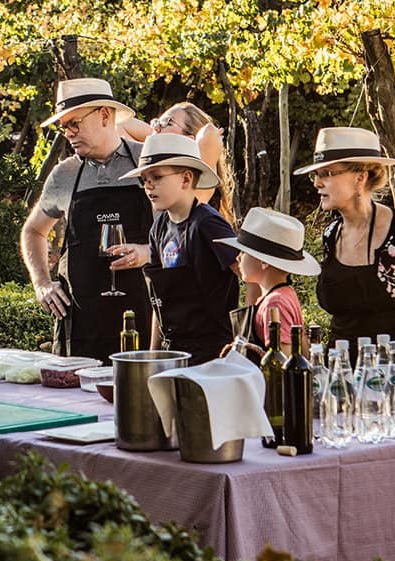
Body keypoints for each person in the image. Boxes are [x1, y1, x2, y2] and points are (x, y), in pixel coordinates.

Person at [294, 127, 395, 361]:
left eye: (327, 173)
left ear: (360, 178)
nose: (317, 183)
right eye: (315, 175)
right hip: (343, 371)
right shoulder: (331, 235)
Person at [21, 78, 154, 362]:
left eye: (74, 123)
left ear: (104, 115)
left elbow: (180, 231)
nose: (68, 133)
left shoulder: (148, 162)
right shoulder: (64, 174)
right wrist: (42, 282)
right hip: (81, 326)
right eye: (63, 127)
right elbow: (33, 231)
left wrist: (147, 252)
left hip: (143, 318)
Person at [122, 133, 240, 363]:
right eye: (144, 180)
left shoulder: (208, 223)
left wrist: (246, 338)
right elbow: (159, 302)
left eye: (156, 177)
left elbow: (248, 273)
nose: (148, 185)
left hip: (213, 353)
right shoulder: (158, 228)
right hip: (172, 352)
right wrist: (153, 356)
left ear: (186, 179)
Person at [215, 207, 320, 355]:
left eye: (243, 252)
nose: (238, 258)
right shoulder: (283, 294)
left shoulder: (275, 303)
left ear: (264, 262)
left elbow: (282, 358)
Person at [121, 102, 234, 221]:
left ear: (189, 140)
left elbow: (190, 211)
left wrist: (205, 147)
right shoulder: (145, 161)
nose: (156, 128)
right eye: (156, 122)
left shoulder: (194, 199)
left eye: (168, 122)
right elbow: (120, 124)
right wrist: (155, 138)